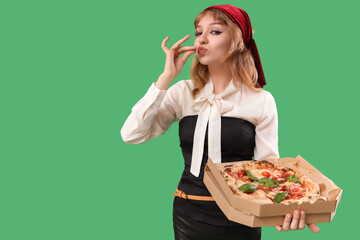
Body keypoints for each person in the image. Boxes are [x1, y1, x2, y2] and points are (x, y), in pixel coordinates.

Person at [121, 4, 320, 240]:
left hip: (242, 217)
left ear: (236, 40)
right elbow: (131, 134)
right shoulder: (182, 92)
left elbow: (269, 169)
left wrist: (285, 210)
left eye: (214, 32)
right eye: (198, 32)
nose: (201, 39)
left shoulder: (261, 100)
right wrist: (164, 80)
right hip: (187, 213)